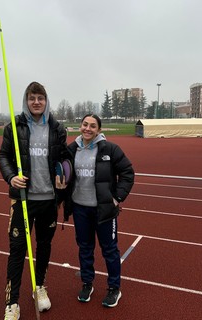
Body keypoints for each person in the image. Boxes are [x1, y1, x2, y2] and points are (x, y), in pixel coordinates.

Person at [0, 81, 69, 319]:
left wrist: (65, 176)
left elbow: (64, 158)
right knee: (17, 250)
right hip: (23, 200)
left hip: (49, 200)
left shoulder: (57, 128)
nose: (36, 102)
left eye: (40, 98)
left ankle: (39, 287)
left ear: (46, 101)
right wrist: (10, 177)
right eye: (32, 98)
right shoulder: (14, 127)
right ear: (26, 101)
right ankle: (12, 301)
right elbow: (3, 155)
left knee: (45, 246)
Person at [63, 114, 134, 308]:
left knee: (109, 250)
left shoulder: (110, 149)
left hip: (103, 210)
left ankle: (114, 288)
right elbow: (63, 174)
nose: (88, 128)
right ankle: (87, 283)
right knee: (85, 248)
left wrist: (117, 197)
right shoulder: (71, 149)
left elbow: (127, 173)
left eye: (93, 126)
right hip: (80, 208)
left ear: (99, 130)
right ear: (80, 126)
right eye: (85, 124)